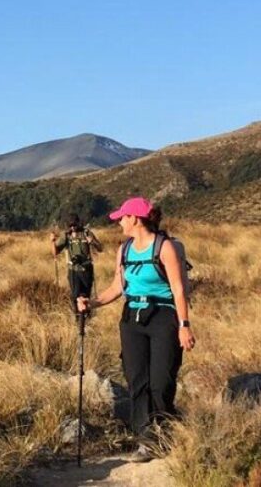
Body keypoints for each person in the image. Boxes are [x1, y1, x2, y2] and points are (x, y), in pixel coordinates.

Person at [75, 196, 196, 462]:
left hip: (164, 316)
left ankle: (163, 428)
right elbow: (118, 287)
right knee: (137, 380)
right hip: (132, 320)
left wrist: (184, 325)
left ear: (135, 219)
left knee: (161, 380)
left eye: (122, 217)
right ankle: (147, 440)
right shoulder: (124, 250)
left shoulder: (165, 248)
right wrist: (92, 302)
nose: (119, 222)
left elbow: (178, 289)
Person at [51, 214, 102, 306]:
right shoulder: (66, 235)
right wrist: (52, 242)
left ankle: (86, 316)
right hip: (73, 270)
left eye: (74, 225)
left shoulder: (86, 233)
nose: (73, 228)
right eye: (70, 226)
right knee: (75, 296)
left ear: (78, 223)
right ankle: (77, 317)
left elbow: (100, 248)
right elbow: (55, 253)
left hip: (86, 269)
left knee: (86, 296)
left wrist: (92, 242)